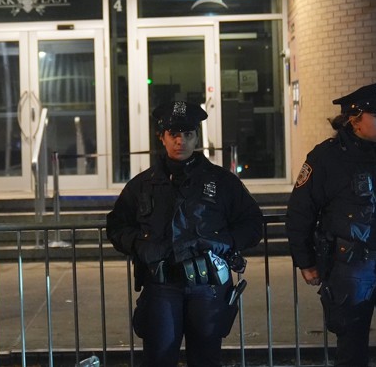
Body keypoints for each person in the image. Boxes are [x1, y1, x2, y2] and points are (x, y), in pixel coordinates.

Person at [107, 100, 264, 367]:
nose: (181, 141)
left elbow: (252, 223)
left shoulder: (222, 182)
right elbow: (117, 225)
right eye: (174, 134)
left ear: (196, 137)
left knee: (206, 359)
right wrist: (140, 245)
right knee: (159, 358)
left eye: (188, 134)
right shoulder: (142, 185)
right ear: (163, 138)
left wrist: (224, 244)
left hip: (207, 287)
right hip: (161, 286)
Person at [286, 82, 376, 366]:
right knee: (352, 352)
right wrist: (306, 261)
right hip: (351, 268)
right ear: (354, 119)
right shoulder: (326, 157)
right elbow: (301, 211)